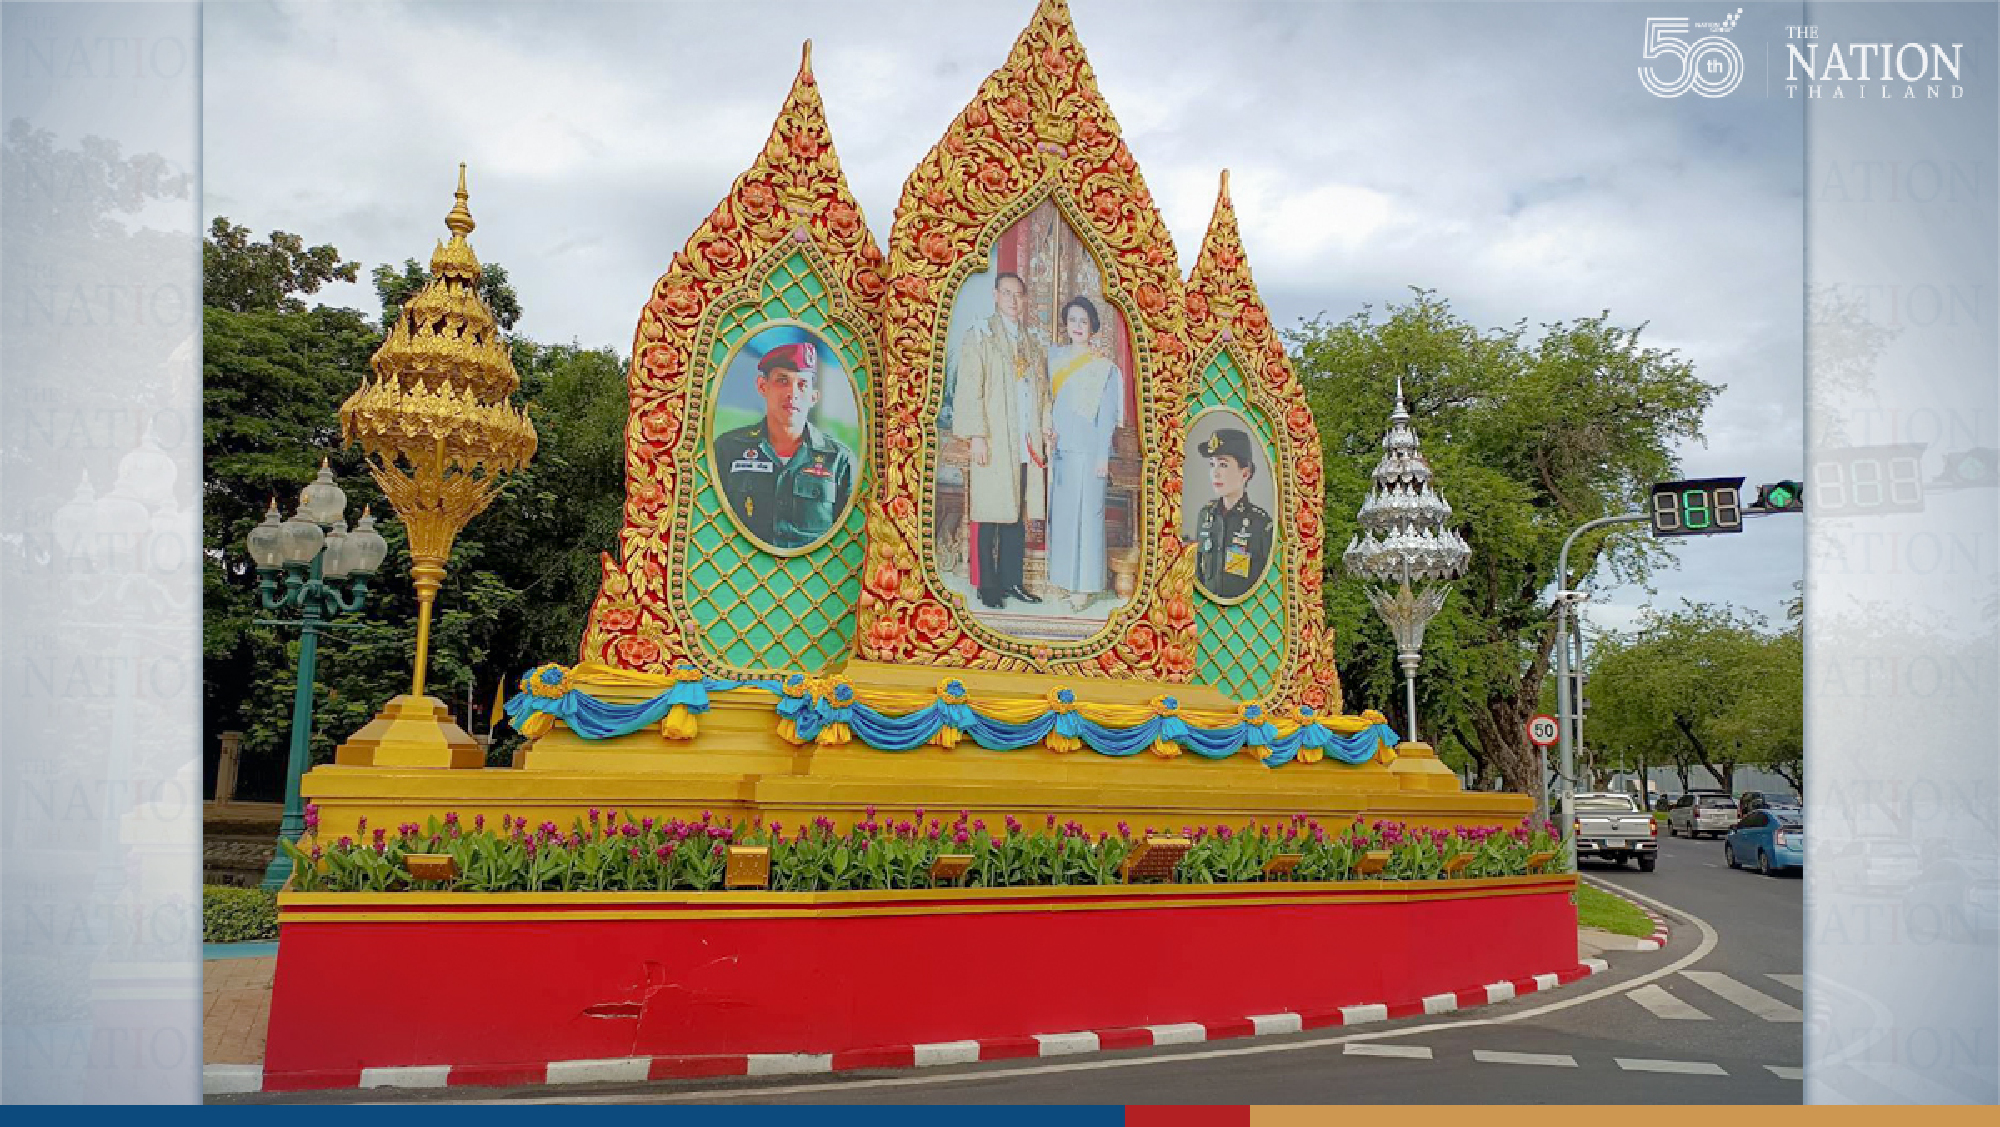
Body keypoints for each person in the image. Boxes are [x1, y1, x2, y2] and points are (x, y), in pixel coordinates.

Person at [950, 272, 1049, 609]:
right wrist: (977, 434)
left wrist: (1046, 427)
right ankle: (986, 584)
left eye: (1018, 294)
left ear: (1024, 300)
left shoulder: (1033, 343)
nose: (1012, 300)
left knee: (1016, 514)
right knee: (988, 512)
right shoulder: (980, 336)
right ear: (995, 295)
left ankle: (1012, 581)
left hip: (1024, 440)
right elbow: (969, 390)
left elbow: (1044, 393)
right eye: (1006, 293)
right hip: (994, 438)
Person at [713, 341, 856, 551]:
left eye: (802, 385)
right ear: (762, 386)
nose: (793, 393)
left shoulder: (839, 460)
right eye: (782, 381)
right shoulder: (728, 449)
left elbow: (848, 540)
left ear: (814, 397)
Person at [1043, 295, 1126, 612]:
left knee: (1088, 517)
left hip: (1091, 452)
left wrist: (1103, 456)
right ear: (1066, 324)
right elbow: (1049, 401)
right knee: (1064, 517)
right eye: (1072, 319)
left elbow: (1106, 417)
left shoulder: (1105, 369)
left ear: (1092, 326)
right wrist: (1048, 430)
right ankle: (1065, 580)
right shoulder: (1055, 358)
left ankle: (1086, 586)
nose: (1077, 326)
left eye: (1083, 321)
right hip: (1062, 448)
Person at [1193, 427, 1274, 601]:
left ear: (1245, 473)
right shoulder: (1205, 516)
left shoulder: (1261, 524)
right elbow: (1197, 574)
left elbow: (1268, 586)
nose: (1215, 472)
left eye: (1223, 464)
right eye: (1212, 464)